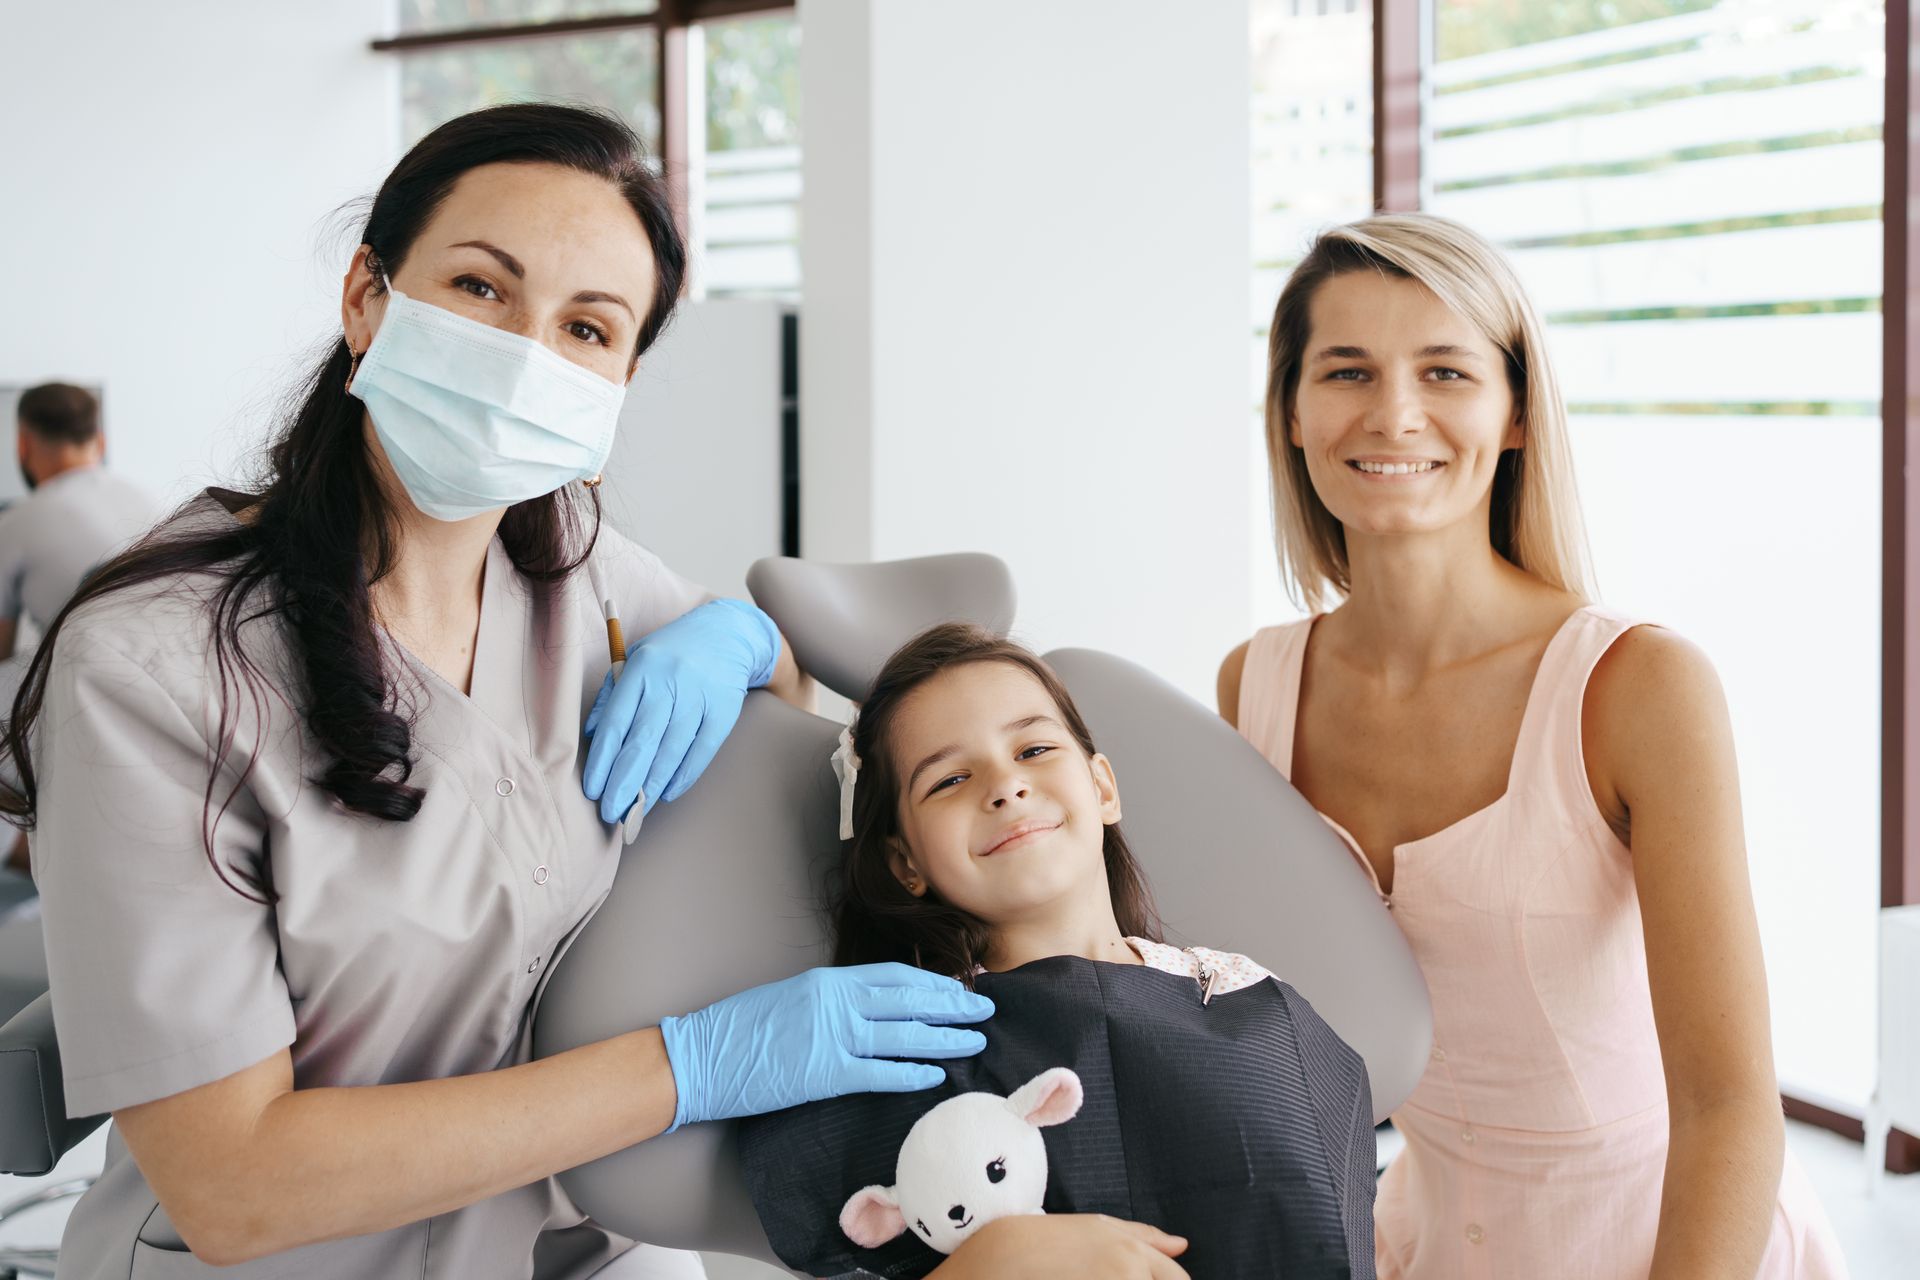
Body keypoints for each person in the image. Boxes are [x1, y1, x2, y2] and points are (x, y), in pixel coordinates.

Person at [0, 104, 992, 1280]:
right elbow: (234, 1182)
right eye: (480, 289)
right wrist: (696, 1065)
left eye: (587, 327)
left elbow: (776, 692)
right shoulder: (156, 664)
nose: (528, 354)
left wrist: (733, 634)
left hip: (582, 1243)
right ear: (368, 294)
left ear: (622, 378)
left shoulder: (572, 558)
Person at [1218, 213, 1846, 1279]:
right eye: (1347, 370)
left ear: (1514, 414)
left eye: (1446, 371)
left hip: (1678, 1247)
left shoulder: (1640, 687)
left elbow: (1730, 1105)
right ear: (1289, 411)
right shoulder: (1255, 686)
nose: (1395, 412)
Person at [740, 623, 1377, 1280]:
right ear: (905, 861)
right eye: (950, 778)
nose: (1005, 786)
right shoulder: (901, 1049)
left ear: (1102, 788)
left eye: (1035, 748)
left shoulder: (1259, 1007)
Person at [0, 383, 161, 664]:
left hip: (80, 688)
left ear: (23, 445)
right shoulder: (153, 502)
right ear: (100, 441)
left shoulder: (14, 523)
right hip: (170, 681)